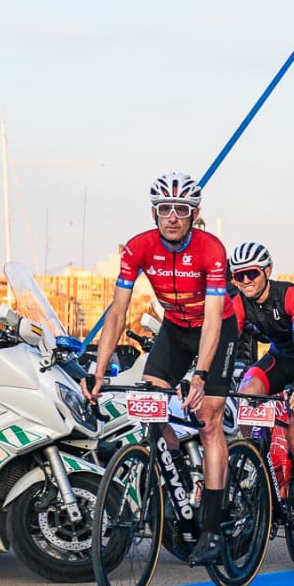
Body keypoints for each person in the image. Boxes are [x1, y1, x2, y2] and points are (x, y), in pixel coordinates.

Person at [85, 172, 237, 564]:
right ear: (154, 212)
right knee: (149, 406)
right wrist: (99, 372)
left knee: (208, 418)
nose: (172, 217)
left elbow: (215, 319)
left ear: (194, 214)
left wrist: (201, 375)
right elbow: (117, 314)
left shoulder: (211, 249)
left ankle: (213, 525)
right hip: (174, 325)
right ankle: (180, 477)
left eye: (181, 210)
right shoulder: (138, 248)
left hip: (215, 326)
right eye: (165, 209)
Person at [229, 241, 294, 548]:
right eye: (239, 276)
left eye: (251, 274)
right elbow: (228, 340)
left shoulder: (290, 295)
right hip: (280, 359)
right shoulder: (239, 301)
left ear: (267, 272)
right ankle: (251, 460)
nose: (246, 281)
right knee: (246, 391)